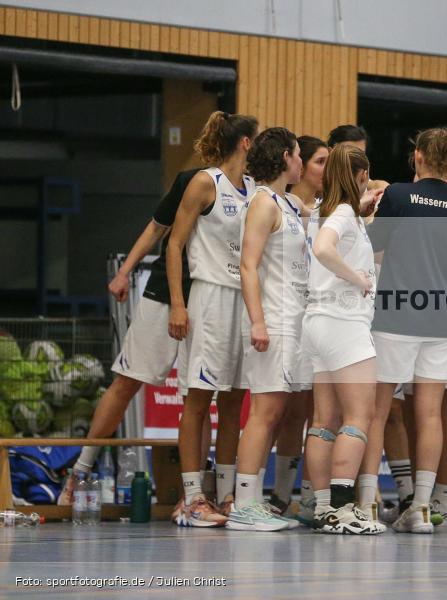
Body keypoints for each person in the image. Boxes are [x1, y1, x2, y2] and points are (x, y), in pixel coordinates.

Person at [57, 167, 215, 505]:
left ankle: (197, 494)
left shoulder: (251, 191)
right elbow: (158, 227)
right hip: (164, 294)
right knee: (127, 381)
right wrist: (125, 272)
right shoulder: (193, 180)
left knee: (198, 398)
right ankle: (79, 474)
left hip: (210, 299)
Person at [362, 128, 447, 534]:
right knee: (430, 413)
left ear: (419, 157)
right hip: (443, 319)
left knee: (377, 412)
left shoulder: (397, 195)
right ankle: (424, 509)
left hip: (397, 316)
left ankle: (365, 505)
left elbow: (373, 248)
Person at [167, 111, 258, 527]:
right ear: (244, 142)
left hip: (245, 299)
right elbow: (175, 244)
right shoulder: (206, 182)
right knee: (198, 398)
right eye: (254, 140)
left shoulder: (255, 189)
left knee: (235, 400)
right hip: (207, 296)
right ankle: (191, 498)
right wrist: (177, 302)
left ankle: (225, 495)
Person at [301, 143, 385, 534]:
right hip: (344, 323)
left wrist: (362, 207)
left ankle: (322, 508)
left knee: (323, 421)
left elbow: (331, 236)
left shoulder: (325, 210)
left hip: (317, 323)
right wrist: (359, 279)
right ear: (362, 175)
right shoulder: (345, 213)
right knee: (358, 417)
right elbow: (324, 249)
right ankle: (342, 509)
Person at [225, 127, 305, 532]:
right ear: (283, 158)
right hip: (271, 319)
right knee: (264, 411)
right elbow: (248, 265)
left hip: (293, 319)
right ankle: (243, 503)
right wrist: (257, 320)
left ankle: (254, 500)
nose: (302, 161)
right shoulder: (262, 204)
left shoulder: (286, 202)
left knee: (277, 413)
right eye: (297, 154)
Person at [267, 135, 329, 524]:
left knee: (316, 412)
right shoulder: (282, 205)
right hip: (286, 315)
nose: (324, 169)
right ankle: (278, 494)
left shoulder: (329, 208)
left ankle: (310, 499)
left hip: (320, 318)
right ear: (300, 165)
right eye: (320, 161)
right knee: (286, 412)